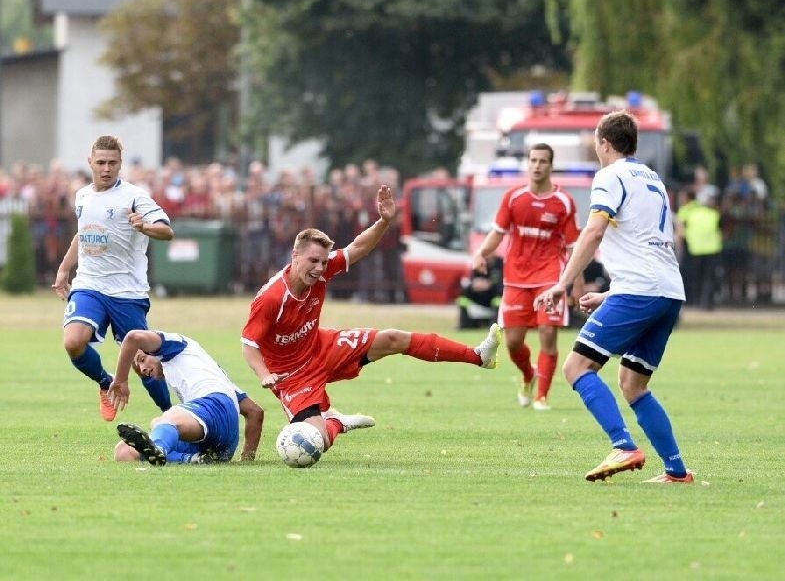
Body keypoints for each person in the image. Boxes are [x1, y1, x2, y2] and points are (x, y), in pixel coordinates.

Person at [241, 184, 501, 454]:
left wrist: (385, 221)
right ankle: (335, 423)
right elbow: (249, 344)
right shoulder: (272, 298)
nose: (319, 268)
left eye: (323, 262)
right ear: (295, 256)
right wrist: (265, 375)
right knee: (317, 441)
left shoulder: (322, 269)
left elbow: (358, 247)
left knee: (393, 338)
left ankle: (479, 356)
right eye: (313, 261)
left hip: (321, 346)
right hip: (292, 375)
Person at [534, 111, 692, 483]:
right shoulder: (653, 179)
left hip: (641, 290)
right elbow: (648, 246)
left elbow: (593, 232)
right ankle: (676, 471)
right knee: (633, 384)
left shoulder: (610, 175)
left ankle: (623, 445)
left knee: (576, 367)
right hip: (666, 292)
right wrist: (609, 295)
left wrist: (563, 282)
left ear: (604, 143)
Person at [52, 135, 174, 422]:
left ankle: (173, 416)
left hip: (127, 292)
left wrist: (144, 226)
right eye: (101, 162)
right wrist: (64, 268)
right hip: (89, 285)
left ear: (120, 164)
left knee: (144, 363)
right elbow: (84, 234)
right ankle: (106, 383)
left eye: (113, 163)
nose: (107, 168)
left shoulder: (133, 196)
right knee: (73, 342)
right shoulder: (82, 195)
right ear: (90, 162)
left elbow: (166, 230)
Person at [472, 143, 582, 411]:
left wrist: (576, 283)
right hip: (516, 278)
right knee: (512, 341)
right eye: (533, 160)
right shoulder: (513, 197)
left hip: (550, 277)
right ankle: (528, 375)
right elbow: (498, 232)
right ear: (528, 163)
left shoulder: (563, 202)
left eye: (543, 161)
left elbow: (573, 247)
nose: (537, 165)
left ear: (551, 166)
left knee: (547, 333)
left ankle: (542, 396)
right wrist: (481, 253)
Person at [109, 329, 264, 465]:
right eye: (139, 367)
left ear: (153, 350)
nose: (142, 369)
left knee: (161, 421)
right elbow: (255, 412)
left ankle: (160, 449)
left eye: (142, 360)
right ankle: (191, 458)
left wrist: (121, 379)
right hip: (220, 447)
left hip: (216, 406)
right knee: (124, 451)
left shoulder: (176, 344)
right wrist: (246, 460)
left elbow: (132, 337)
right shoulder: (207, 373)